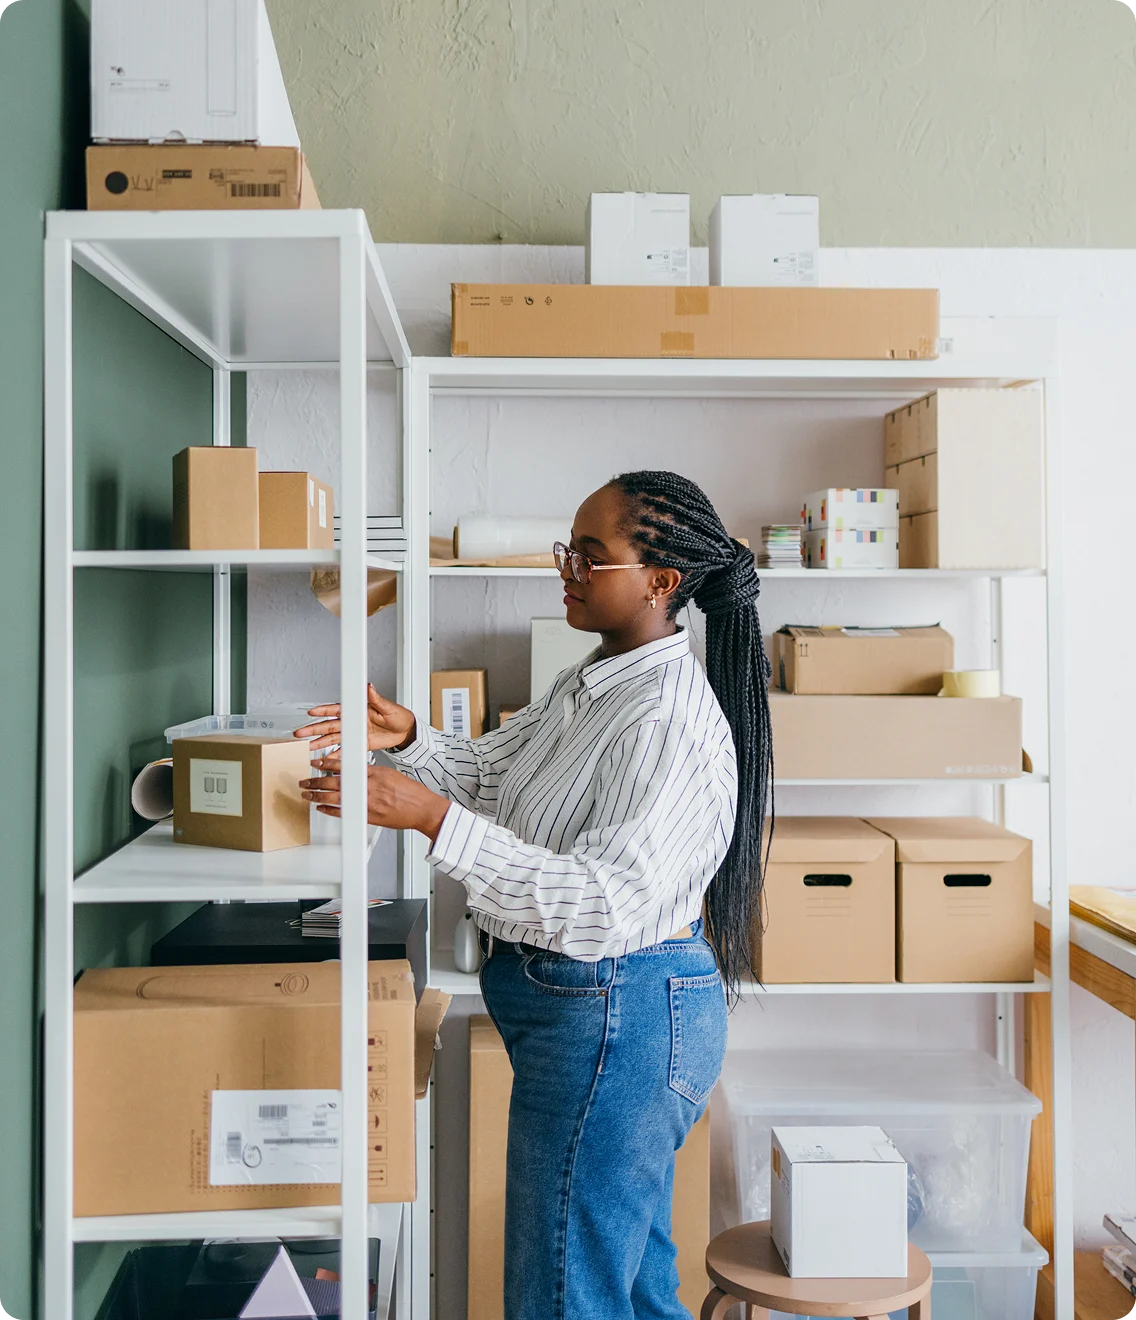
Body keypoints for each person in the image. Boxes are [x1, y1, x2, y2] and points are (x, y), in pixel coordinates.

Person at [296, 470, 774, 1320]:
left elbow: (600, 904)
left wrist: (433, 819)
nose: (568, 570)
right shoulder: (595, 678)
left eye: (591, 558)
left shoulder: (663, 715)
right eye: (570, 550)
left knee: (564, 1296)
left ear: (662, 583)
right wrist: (410, 739)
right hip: (605, 1022)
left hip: (620, 1021)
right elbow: (497, 774)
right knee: (624, 1286)